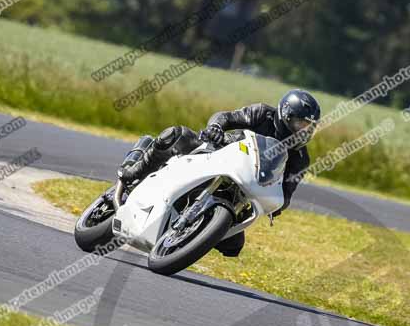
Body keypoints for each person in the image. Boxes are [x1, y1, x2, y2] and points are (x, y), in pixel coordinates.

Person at [117, 89, 321, 257]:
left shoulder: (301, 158)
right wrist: (215, 127)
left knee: (234, 245)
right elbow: (226, 117)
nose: (304, 131)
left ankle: (185, 237)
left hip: (242, 188)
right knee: (175, 135)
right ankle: (134, 171)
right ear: (286, 115)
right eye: (300, 124)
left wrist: (276, 205)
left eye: (309, 127)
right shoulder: (261, 113)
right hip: (216, 152)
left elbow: (287, 192)